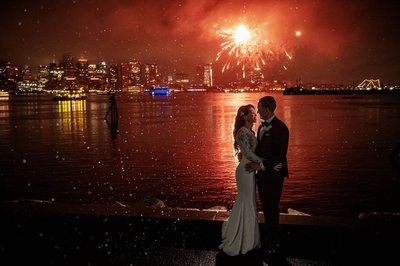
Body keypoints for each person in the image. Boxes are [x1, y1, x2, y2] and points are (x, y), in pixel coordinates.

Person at [219, 104, 282, 256]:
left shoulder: (251, 131)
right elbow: (247, 153)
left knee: (249, 202)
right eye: (252, 113)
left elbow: (249, 151)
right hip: (246, 170)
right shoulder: (242, 131)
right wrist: (265, 163)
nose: (255, 115)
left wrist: (261, 163)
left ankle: (248, 238)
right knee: (245, 201)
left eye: (255, 113)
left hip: (251, 169)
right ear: (244, 116)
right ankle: (240, 239)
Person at [245, 96, 289, 264]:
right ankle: (270, 240)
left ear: (266, 109)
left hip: (273, 177)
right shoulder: (261, 127)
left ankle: (274, 243)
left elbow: (279, 156)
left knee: (272, 209)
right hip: (264, 176)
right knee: (266, 208)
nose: (257, 111)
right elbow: (263, 152)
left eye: (259, 107)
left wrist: (260, 166)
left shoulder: (280, 128)